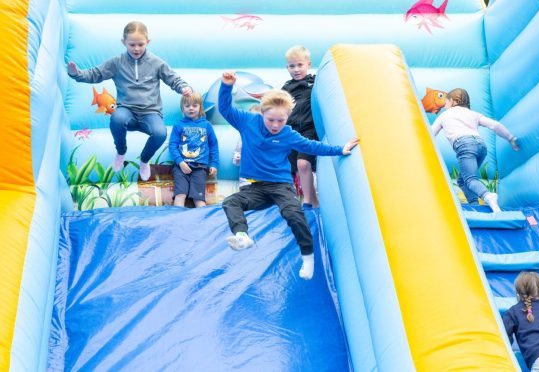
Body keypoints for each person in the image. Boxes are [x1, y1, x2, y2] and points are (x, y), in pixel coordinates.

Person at [218, 71, 359, 280]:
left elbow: (312, 146)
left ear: (287, 117)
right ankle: (242, 236)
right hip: (253, 187)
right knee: (230, 202)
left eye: (281, 120)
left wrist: (340, 149)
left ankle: (308, 257)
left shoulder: (288, 133)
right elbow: (225, 109)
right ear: (262, 114)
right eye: (271, 120)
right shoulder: (248, 122)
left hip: (280, 186)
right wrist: (226, 86)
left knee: (294, 213)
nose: (275, 125)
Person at [67, 21, 193, 181]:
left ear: (148, 42)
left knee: (161, 133)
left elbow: (173, 78)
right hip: (127, 111)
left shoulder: (156, 63)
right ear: (123, 42)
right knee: (117, 118)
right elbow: (95, 74)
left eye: (140, 44)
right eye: (132, 44)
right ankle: (121, 151)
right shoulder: (116, 62)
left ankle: (144, 160)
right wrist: (76, 73)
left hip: (150, 113)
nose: (136, 49)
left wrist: (183, 87)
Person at [431, 88, 519, 212]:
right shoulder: (473, 114)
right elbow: (495, 125)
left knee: (471, 180)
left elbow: (431, 133)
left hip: (464, 145)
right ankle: (475, 206)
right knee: (462, 181)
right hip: (481, 147)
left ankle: (488, 196)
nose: (444, 106)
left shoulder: (445, 115)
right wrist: (510, 138)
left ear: (453, 101)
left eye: (446, 103)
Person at [282, 46, 320, 208]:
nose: (296, 69)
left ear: (308, 64)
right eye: (292, 66)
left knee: (303, 164)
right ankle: (313, 201)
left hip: (308, 130)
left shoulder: (315, 83)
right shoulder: (286, 88)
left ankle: (307, 200)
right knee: (297, 169)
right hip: (291, 132)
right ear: (287, 67)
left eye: (300, 65)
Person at [168, 91, 219, 208]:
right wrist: (180, 163)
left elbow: (214, 146)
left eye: (195, 106)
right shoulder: (178, 125)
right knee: (180, 195)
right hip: (181, 167)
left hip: (200, 168)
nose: (191, 108)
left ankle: (203, 221)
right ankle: (176, 220)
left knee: (198, 198)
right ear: (183, 108)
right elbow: (172, 145)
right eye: (187, 106)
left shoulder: (206, 125)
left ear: (200, 107)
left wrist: (214, 164)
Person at [232, 105, 261, 189]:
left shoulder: (265, 137)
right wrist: (237, 158)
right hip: (245, 182)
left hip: (261, 182)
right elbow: (237, 153)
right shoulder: (243, 136)